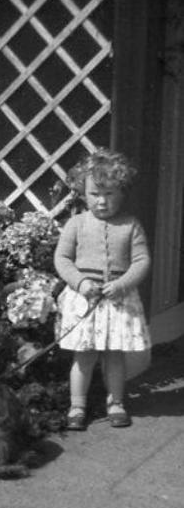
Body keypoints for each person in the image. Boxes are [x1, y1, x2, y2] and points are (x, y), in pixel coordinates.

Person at [54, 148, 151, 430]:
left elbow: (141, 261)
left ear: (122, 193)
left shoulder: (131, 225)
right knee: (83, 356)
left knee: (114, 355)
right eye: (95, 194)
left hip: (118, 300)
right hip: (85, 299)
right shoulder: (76, 223)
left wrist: (122, 284)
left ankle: (116, 402)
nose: (102, 201)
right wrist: (81, 282)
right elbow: (62, 259)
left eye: (109, 194)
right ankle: (77, 406)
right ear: (83, 193)